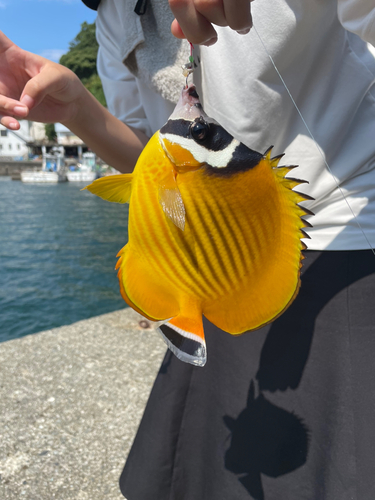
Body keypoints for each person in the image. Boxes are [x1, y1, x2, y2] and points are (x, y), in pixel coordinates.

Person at [1, 1, 375, 498]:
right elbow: (152, 159)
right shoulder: (114, 15)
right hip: (209, 252)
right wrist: (75, 109)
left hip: (338, 235)